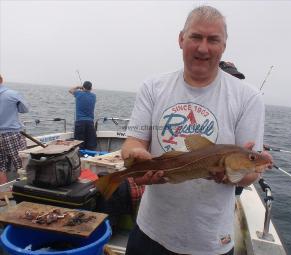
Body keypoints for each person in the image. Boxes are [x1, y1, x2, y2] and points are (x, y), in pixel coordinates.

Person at [121, 6, 272, 255]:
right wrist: (136, 154)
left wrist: (236, 174)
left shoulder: (248, 97)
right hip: (150, 231)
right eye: (196, 37)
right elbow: (133, 142)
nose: (203, 48)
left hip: (210, 242)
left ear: (224, 45)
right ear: (181, 39)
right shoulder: (153, 87)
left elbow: (252, 173)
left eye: (213, 39)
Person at [0, 74, 29, 184]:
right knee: (22, 164)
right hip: (11, 134)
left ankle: (2, 195)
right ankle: (26, 191)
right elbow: (24, 109)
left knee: (0, 167)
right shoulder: (12, 94)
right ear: (2, 80)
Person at [69, 81, 97, 150]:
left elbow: (70, 90)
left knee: (79, 144)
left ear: (83, 87)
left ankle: (80, 157)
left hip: (80, 122)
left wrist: (78, 87)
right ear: (91, 88)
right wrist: (84, 89)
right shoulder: (94, 96)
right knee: (91, 144)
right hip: (90, 123)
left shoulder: (78, 93)